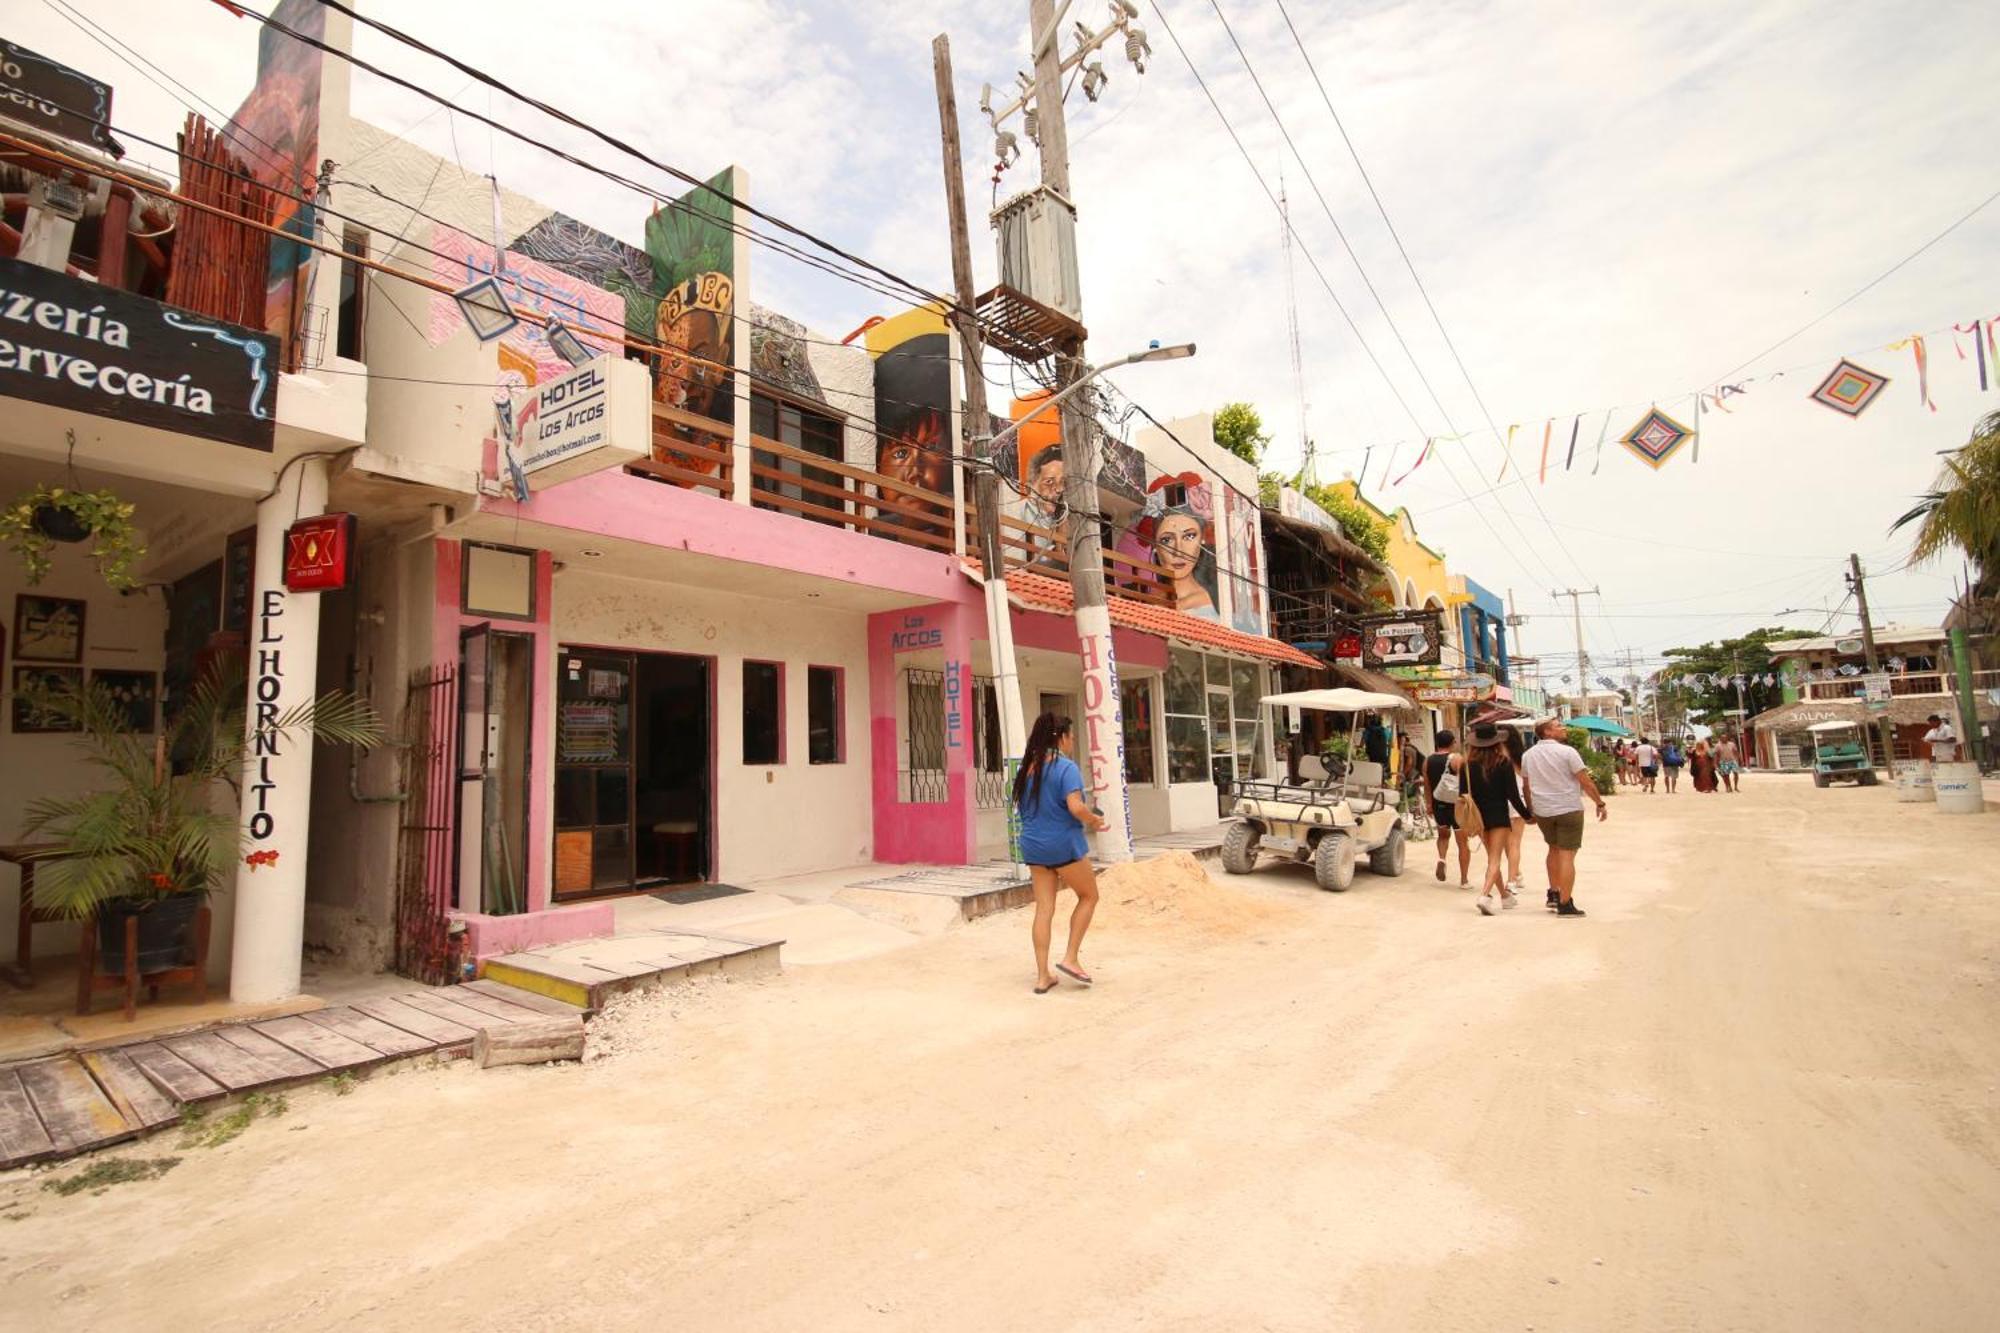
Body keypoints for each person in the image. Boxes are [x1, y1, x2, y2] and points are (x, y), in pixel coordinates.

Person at [1013, 713, 1108, 993]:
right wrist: (1094, 820)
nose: (1073, 741)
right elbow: (1075, 807)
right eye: (1071, 736)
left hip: (1033, 845)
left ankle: (1043, 976)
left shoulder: (1028, 768)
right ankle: (1070, 958)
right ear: (1062, 738)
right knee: (1089, 896)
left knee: (1044, 909)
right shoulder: (1066, 767)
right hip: (1063, 845)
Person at [1520, 716, 1608, 917]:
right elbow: (1585, 781)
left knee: (1553, 849)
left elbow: (1526, 785)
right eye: (1558, 726)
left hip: (1543, 810)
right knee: (1567, 854)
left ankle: (1554, 892)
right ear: (1547, 731)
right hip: (1568, 808)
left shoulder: (1528, 755)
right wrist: (1599, 803)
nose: (1564, 728)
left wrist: (1531, 809)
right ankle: (1565, 903)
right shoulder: (1568, 752)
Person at [1464, 724, 1533, 915]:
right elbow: (1513, 795)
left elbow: (1463, 794)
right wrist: (1527, 815)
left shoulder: (1467, 765)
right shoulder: (1503, 763)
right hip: (1499, 815)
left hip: (1478, 817)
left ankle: (1504, 896)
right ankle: (1484, 896)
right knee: (1494, 860)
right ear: (1496, 742)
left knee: (1491, 858)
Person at [1424, 729, 1472, 889]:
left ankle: (1442, 859)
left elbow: (1427, 785)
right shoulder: (1456, 759)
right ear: (1452, 743)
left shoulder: (1428, 761)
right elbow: (1465, 782)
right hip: (1457, 806)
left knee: (1443, 836)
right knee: (1462, 843)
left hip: (1438, 804)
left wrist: (1429, 805)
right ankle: (1464, 880)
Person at [1502, 725, 1529, 897]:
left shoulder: (1493, 756)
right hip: (1518, 800)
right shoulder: (1521, 758)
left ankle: (1515, 875)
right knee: (1514, 842)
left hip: (1499, 800)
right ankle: (1513, 877)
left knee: (1506, 842)